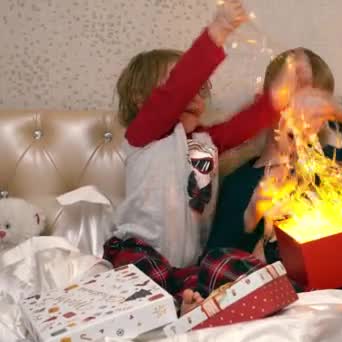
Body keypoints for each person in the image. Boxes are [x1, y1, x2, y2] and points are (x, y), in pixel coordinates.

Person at [102, 0, 294, 314]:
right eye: (183, 86)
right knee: (138, 277)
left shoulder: (204, 142)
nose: (194, 94)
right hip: (140, 252)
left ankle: (194, 302)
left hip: (187, 264)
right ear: (142, 100)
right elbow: (176, 91)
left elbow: (238, 128)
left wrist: (275, 100)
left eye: (200, 88)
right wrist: (218, 31)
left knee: (224, 263)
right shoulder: (144, 135)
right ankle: (174, 307)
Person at [207, 48, 342, 293]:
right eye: (290, 101)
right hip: (283, 301)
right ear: (262, 104)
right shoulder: (240, 183)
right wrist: (250, 218)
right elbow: (215, 266)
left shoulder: (336, 165)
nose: (300, 115)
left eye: (313, 107)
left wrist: (341, 111)